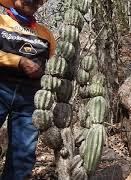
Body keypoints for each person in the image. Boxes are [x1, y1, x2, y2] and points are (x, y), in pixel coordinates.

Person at [0, 0, 56, 179]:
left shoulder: (46, 34)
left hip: (30, 99)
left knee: (23, 155)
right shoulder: (1, 22)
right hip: (1, 87)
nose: (32, 2)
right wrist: (19, 61)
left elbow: (56, 66)